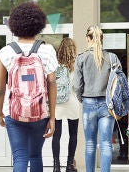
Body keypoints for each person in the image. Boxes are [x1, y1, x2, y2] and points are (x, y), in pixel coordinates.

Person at [0, 1, 58, 172]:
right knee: (35, 155)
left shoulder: (5, 52)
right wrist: (52, 117)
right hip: (40, 112)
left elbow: (0, 89)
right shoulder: (47, 50)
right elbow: (52, 83)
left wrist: (0, 111)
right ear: (39, 24)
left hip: (13, 113)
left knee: (20, 156)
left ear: (14, 25)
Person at [72, 25, 122, 172]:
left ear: (88, 38)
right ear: (102, 38)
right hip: (108, 104)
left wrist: (82, 98)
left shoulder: (81, 58)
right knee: (106, 143)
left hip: (88, 102)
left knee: (89, 143)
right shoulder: (112, 58)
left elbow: (76, 85)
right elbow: (119, 84)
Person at [52, 37, 80, 172]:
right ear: (73, 49)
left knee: (56, 135)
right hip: (72, 102)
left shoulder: (55, 65)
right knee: (73, 134)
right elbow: (78, 86)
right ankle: (69, 165)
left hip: (57, 103)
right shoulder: (77, 65)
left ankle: (56, 166)